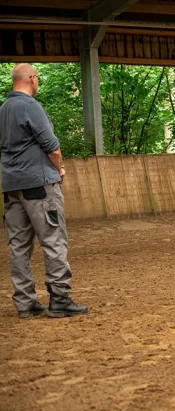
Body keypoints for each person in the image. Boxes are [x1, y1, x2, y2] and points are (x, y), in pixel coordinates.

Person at [0, 63, 88, 318]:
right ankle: (59, 297)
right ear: (31, 78)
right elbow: (52, 146)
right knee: (53, 240)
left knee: (18, 245)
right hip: (38, 184)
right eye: (37, 79)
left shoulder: (3, 109)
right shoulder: (31, 107)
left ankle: (25, 302)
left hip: (11, 185)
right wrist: (59, 169)